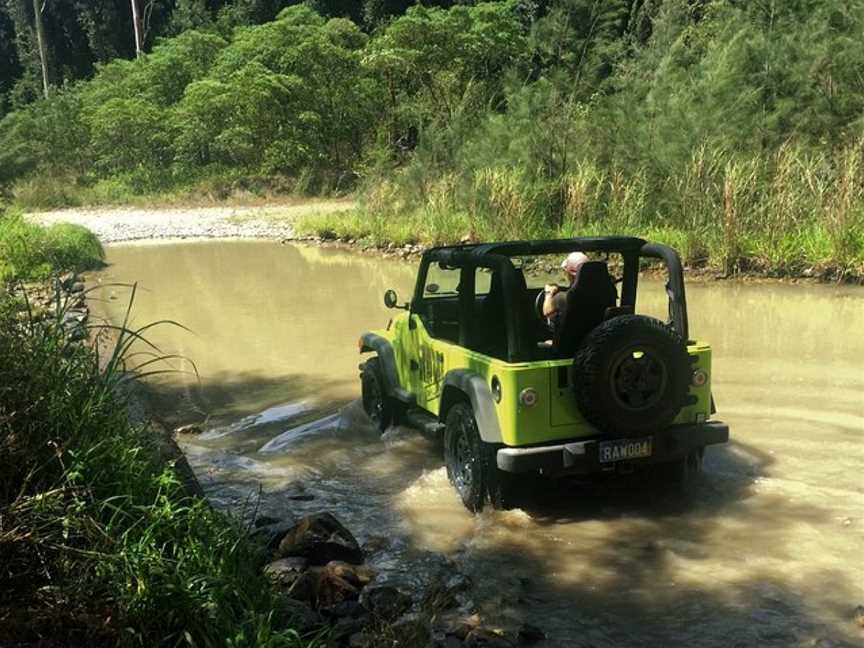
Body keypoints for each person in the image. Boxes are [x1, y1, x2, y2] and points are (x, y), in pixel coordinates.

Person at [542, 251, 588, 320]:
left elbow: (548, 314)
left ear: (569, 274)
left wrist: (548, 293)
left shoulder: (562, 298)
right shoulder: (601, 292)